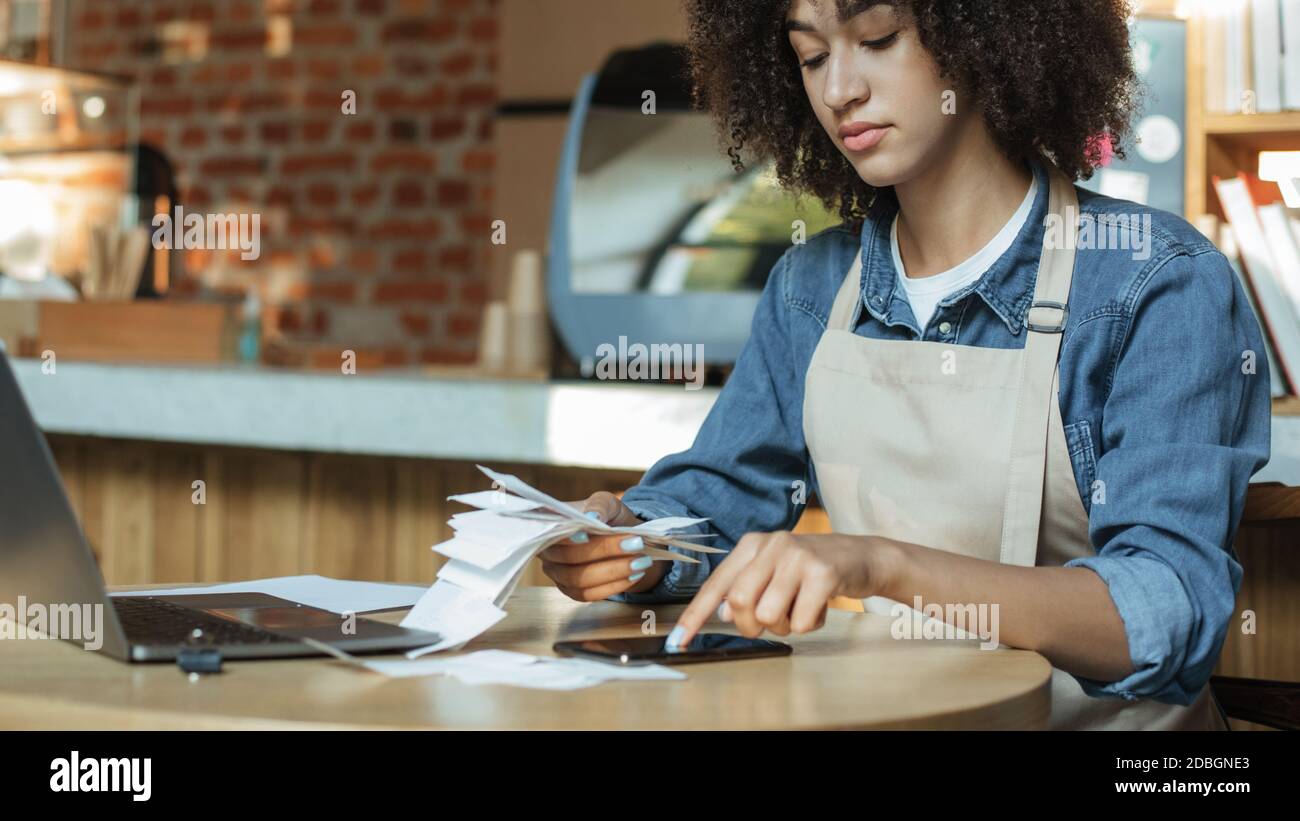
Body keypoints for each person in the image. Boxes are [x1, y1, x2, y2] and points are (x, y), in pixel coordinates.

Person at [539, 0, 1271, 728]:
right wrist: (636, 541)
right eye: (812, 56)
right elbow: (717, 499)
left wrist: (881, 564)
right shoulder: (811, 289)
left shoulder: (1156, 280)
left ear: (986, 34)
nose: (838, 91)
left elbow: (1166, 607)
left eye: (878, 39)